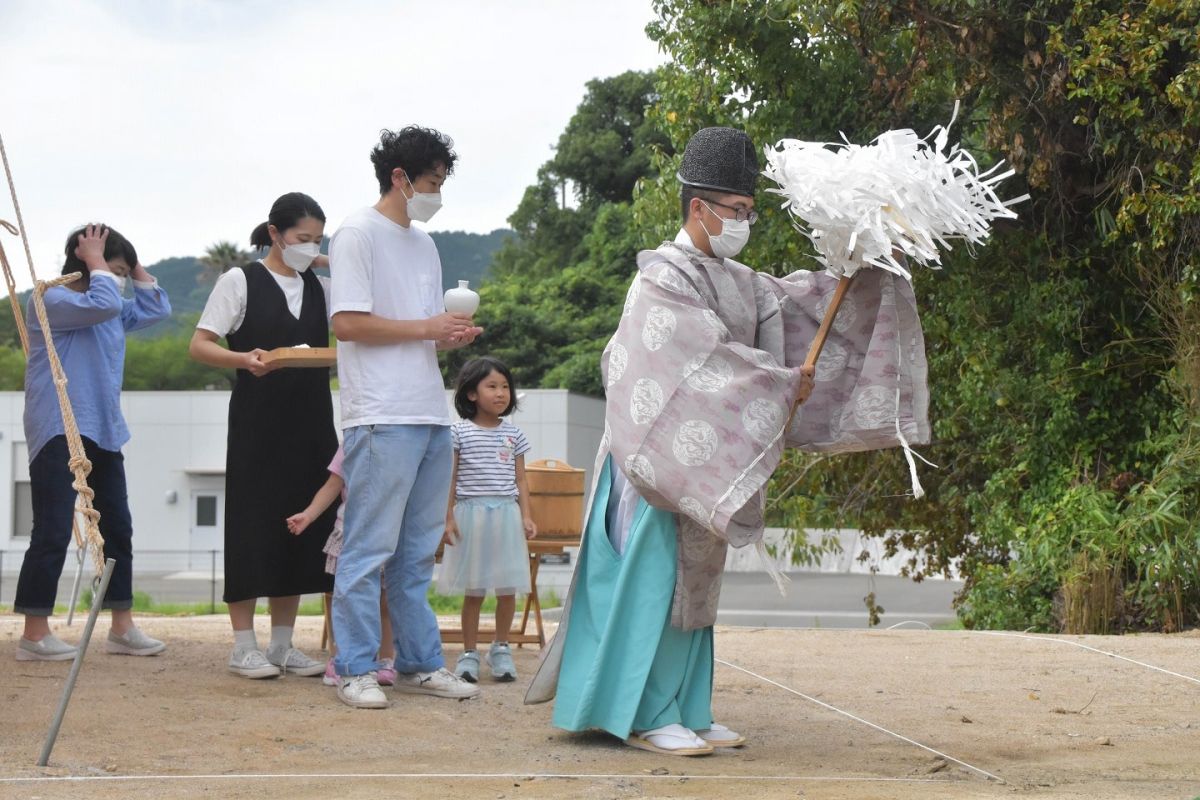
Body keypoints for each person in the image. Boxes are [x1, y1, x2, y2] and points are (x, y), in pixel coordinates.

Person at [525, 127, 931, 755]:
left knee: (695, 587)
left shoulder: (740, 278)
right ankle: (642, 711)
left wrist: (864, 262)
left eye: (749, 211)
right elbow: (689, 360)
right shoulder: (660, 278)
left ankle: (688, 704)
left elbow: (802, 310)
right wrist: (775, 384)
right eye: (736, 211)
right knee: (654, 585)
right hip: (653, 465)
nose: (745, 221)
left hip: (706, 460)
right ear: (698, 208)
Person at [328, 125, 483, 709]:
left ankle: (420, 663)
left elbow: (417, 328)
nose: (436, 193)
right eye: (431, 182)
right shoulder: (355, 233)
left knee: (417, 552)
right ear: (399, 177)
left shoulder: (424, 243)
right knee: (368, 549)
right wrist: (426, 328)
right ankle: (356, 669)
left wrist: (446, 337)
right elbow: (347, 323)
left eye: (441, 182)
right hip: (379, 413)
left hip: (428, 410)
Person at [189, 192, 337, 679]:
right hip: (258, 422)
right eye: (301, 238)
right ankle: (242, 645)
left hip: (312, 420)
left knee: (303, 525)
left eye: (317, 239)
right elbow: (201, 344)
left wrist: (320, 257)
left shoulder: (322, 287)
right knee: (252, 524)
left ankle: (281, 644)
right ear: (274, 234)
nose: (309, 247)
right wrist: (244, 359)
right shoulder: (241, 280)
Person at [15, 224, 171, 660]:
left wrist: (134, 261)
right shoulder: (51, 299)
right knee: (51, 528)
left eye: (121, 271)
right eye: (111, 267)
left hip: (103, 427)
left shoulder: (109, 307)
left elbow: (156, 309)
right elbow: (102, 301)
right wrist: (98, 261)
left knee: (117, 527)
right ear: (86, 259)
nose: (117, 277)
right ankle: (33, 633)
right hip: (58, 425)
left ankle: (121, 626)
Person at [440, 356, 537, 683]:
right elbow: (449, 479)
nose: (500, 393)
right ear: (471, 394)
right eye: (492, 386)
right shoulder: (458, 433)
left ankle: (501, 647)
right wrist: (447, 518)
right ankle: (468, 653)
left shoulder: (514, 435)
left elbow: (521, 480)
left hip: (506, 517)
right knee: (475, 590)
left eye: (505, 386)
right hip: (471, 517)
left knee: (507, 588)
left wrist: (526, 515)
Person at [285, 443, 397, 687]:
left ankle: (386, 660)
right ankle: (339, 658)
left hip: (387, 532)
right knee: (345, 599)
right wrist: (309, 514)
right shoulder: (351, 443)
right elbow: (332, 485)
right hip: (350, 532)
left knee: (385, 602)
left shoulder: (402, 441)